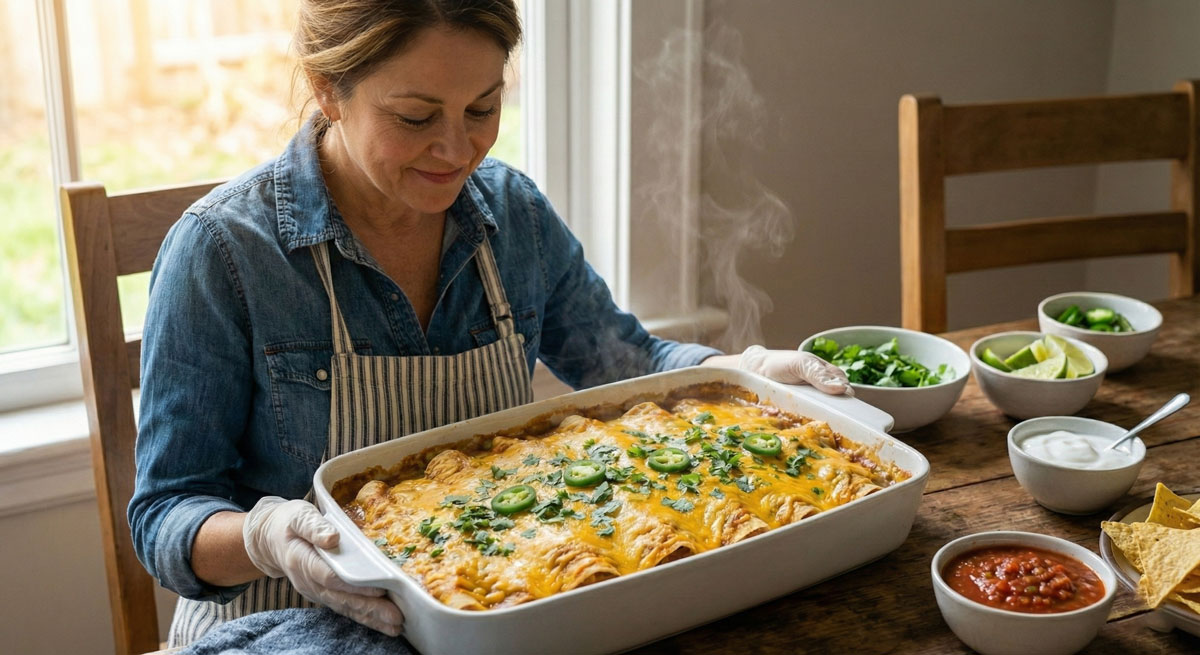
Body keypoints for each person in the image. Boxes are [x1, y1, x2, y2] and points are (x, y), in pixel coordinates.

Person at [129, 0, 850, 647]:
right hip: (277, 623)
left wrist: (739, 373)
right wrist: (265, 536)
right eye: (415, 117)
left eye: (483, 107)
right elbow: (165, 516)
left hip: (493, 605)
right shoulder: (222, 252)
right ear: (328, 91)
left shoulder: (514, 216)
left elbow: (626, 362)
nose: (458, 150)